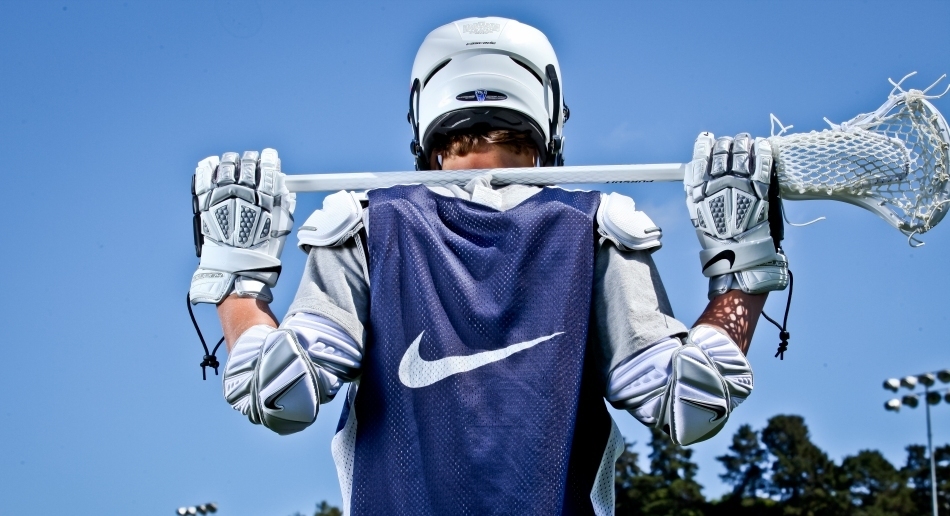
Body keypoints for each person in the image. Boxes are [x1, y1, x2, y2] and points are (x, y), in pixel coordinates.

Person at [188, 17, 788, 515]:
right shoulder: (598, 226)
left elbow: (281, 394)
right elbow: (690, 402)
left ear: (423, 115)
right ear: (550, 113)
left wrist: (236, 277)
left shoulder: (368, 225)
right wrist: (740, 269)